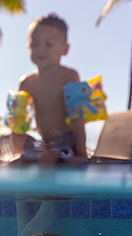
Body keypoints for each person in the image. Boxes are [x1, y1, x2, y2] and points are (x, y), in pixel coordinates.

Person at [11, 13, 88, 166]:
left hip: (67, 141)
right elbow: (17, 123)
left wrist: (81, 154)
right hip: (43, 143)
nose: (41, 49)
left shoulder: (69, 76)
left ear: (65, 49)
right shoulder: (26, 83)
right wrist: (16, 153)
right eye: (35, 44)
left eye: (49, 44)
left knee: (51, 155)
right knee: (23, 157)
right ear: (28, 48)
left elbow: (78, 118)